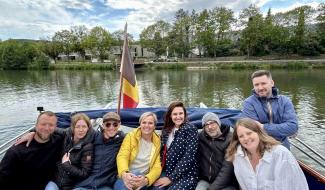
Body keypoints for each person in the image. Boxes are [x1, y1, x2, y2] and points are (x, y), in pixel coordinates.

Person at [226, 118, 308, 190]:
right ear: (238, 140)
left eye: (249, 133)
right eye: (241, 136)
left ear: (258, 133)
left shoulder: (281, 155)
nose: (246, 138)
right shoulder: (237, 157)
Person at [0, 111, 64, 190]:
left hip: (47, 184)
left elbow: (77, 133)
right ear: (36, 125)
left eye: (51, 125)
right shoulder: (16, 152)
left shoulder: (58, 140)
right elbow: (3, 180)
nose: (47, 128)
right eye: (43, 124)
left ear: (55, 127)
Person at [241, 70, 298, 149]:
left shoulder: (285, 101)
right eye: (256, 85)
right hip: (261, 148)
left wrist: (263, 127)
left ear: (272, 83)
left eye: (263, 83)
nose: (260, 88)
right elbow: (253, 131)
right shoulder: (248, 103)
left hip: (283, 146)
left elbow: (292, 128)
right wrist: (283, 129)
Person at [73, 112, 125, 190]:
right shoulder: (93, 136)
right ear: (103, 125)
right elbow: (73, 133)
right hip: (85, 183)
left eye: (115, 124)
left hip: (105, 184)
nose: (111, 127)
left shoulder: (122, 139)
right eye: (108, 124)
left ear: (119, 125)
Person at [154, 101, 198, 190]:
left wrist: (171, 178)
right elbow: (162, 153)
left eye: (181, 113)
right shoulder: (166, 130)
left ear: (185, 114)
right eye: (175, 114)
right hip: (167, 171)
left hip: (187, 174)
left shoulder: (190, 129)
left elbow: (189, 156)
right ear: (170, 116)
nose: (178, 117)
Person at [45, 113, 95, 190]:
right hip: (54, 180)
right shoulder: (67, 134)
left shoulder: (87, 147)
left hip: (71, 185)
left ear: (88, 128)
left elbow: (84, 173)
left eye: (84, 126)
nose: (81, 130)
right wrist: (32, 133)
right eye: (77, 127)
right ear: (73, 128)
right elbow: (48, 129)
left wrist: (66, 165)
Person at [114, 112, 162, 190]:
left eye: (150, 123)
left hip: (143, 178)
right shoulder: (131, 136)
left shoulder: (157, 141)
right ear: (140, 124)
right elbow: (122, 156)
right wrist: (124, 174)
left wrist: (147, 179)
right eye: (144, 122)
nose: (147, 125)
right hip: (127, 175)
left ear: (154, 126)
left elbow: (157, 166)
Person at [196, 112, 238, 190]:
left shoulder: (230, 139)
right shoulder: (201, 136)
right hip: (205, 180)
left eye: (212, 123)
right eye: (206, 125)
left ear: (218, 123)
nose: (210, 127)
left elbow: (227, 169)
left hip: (227, 183)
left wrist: (212, 188)